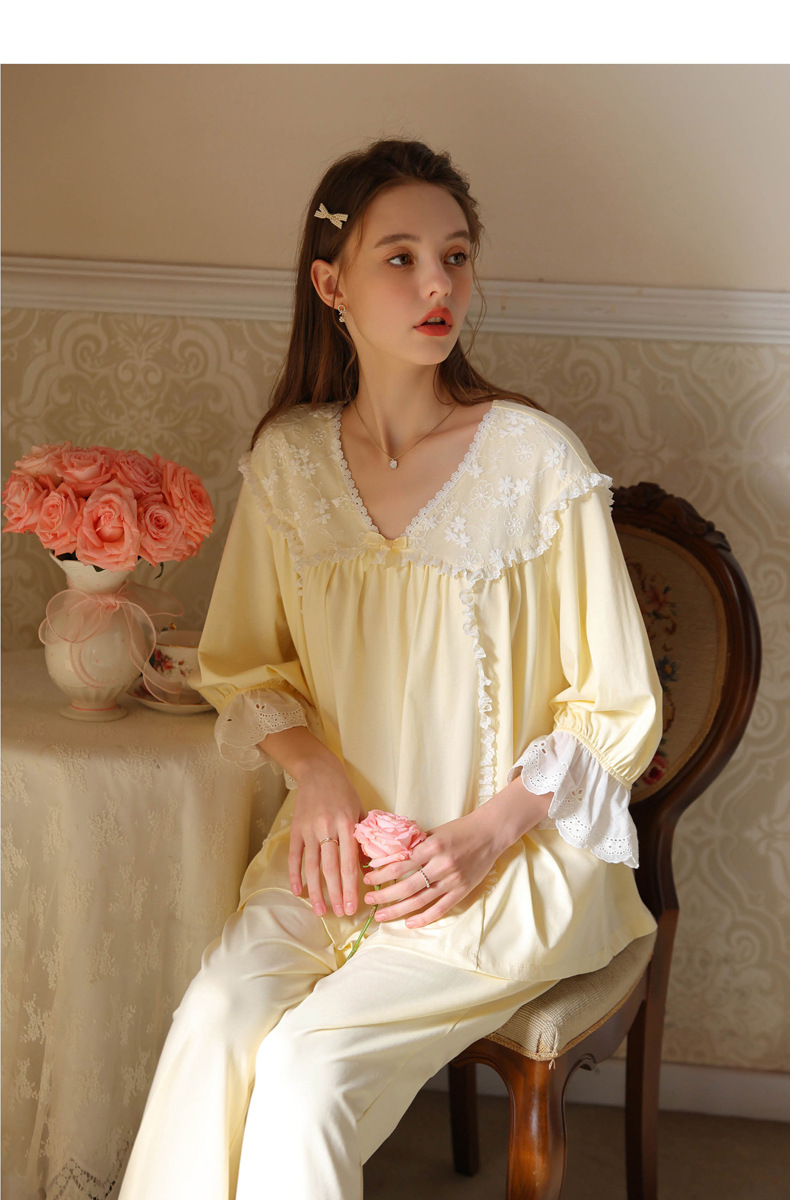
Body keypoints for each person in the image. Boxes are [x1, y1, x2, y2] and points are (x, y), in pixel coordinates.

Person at [119, 138, 662, 1200]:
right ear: (331, 285)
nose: (437, 285)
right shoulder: (289, 462)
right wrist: (314, 771)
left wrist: (484, 836)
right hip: (331, 858)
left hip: (504, 868)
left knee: (305, 1073)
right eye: (400, 258)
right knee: (213, 1021)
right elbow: (243, 664)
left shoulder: (535, 459)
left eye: (454, 256)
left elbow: (616, 707)